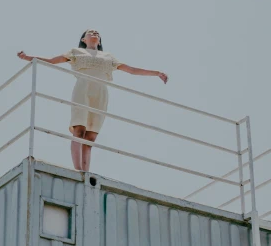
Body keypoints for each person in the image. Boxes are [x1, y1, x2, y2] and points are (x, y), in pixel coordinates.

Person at [17, 29, 168, 172]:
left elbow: (132, 70)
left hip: (101, 93)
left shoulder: (108, 57)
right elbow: (51, 60)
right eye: (90, 32)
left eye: (97, 33)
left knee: (90, 137)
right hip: (83, 89)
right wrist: (28, 58)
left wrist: (156, 73)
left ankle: (86, 172)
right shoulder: (76, 52)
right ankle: (78, 170)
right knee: (79, 130)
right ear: (84, 39)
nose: (94, 33)